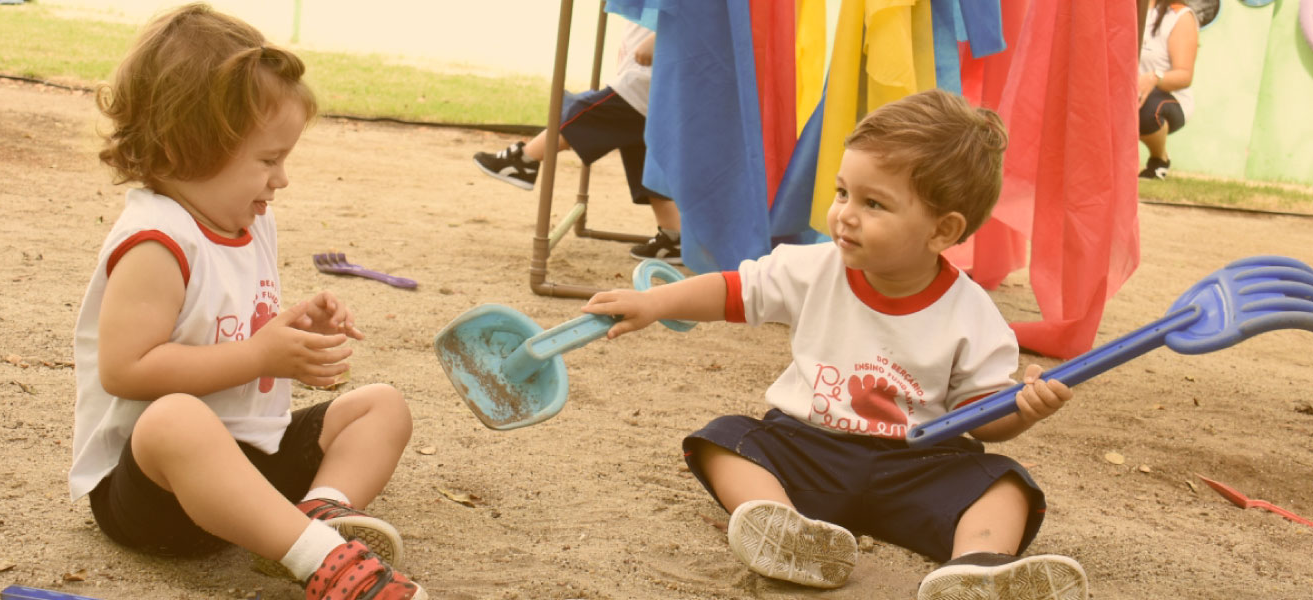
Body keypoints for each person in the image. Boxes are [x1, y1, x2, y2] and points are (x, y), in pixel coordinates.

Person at [582, 89, 1087, 599]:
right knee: (724, 439)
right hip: (807, 448)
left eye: (873, 203)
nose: (844, 214)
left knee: (1006, 485)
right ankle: (781, 527)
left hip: (918, 466)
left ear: (942, 230)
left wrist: (1023, 410)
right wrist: (658, 302)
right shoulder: (813, 268)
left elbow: (982, 415)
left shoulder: (973, 313)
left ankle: (977, 567)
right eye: (843, 192)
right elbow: (734, 291)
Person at [70, 5, 424, 599]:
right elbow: (126, 369)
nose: (281, 179)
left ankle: (317, 520)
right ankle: (323, 561)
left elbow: (235, 325)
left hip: (252, 462)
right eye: (267, 160)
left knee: (381, 406)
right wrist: (263, 355)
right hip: (158, 492)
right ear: (187, 148)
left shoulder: (251, 220)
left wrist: (293, 332)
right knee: (175, 418)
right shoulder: (156, 241)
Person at [472, 21, 684, 264]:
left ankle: (524, 160)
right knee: (640, 154)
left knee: (582, 113)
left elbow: (692, 9)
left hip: (646, 81)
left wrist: (660, 36)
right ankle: (673, 236)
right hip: (642, 78)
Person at [1137, 0, 1200, 180]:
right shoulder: (1125, 8)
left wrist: (1154, 77)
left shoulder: (1179, 16)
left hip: (1169, 98)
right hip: (1127, 92)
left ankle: (1159, 158)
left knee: (1147, 110)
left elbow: (1184, 76)